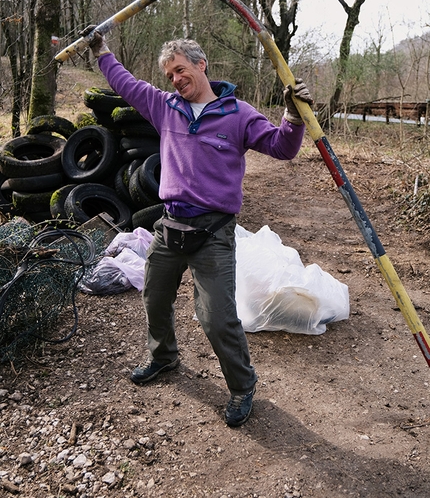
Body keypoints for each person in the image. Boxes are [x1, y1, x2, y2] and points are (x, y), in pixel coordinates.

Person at [82, 27, 313, 427]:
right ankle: (163, 358)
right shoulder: (164, 106)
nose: (174, 79)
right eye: (169, 74)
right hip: (170, 226)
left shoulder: (237, 113)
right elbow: (124, 82)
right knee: (154, 297)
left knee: (217, 318)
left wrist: (293, 115)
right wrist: (102, 50)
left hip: (214, 233)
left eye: (180, 69)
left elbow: (283, 147)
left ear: (201, 65)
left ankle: (242, 386)